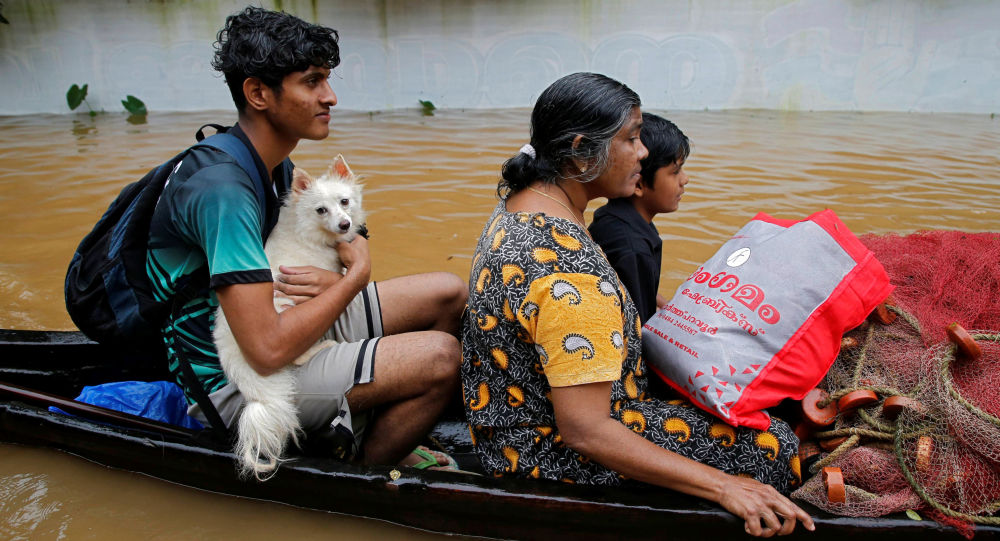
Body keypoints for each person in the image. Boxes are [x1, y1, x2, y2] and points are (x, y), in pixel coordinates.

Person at [461, 72, 815, 537]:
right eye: (631, 138)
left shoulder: (519, 205)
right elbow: (585, 432)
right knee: (772, 445)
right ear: (584, 150)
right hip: (538, 453)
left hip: (507, 423)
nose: (643, 152)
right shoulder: (569, 272)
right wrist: (723, 487)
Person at [146, 6, 466, 470]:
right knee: (440, 357)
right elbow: (266, 350)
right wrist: (352, 281)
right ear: (258, 93)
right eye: (312, 81)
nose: (330, 97)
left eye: (327, 80)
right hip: (239, 380)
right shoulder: (223, 191)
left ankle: (382, 425)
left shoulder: (275, 167)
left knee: (447, 293)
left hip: (278, 316)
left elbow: (341, 230)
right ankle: (364, 468)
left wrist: (342, 270)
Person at [588, 113, 689, 324]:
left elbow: (634, 289)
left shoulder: (611, 218)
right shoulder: (633, 248)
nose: (685, 180)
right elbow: (638, 327)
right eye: (675, 171)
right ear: (639, 184)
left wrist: (665, 304)